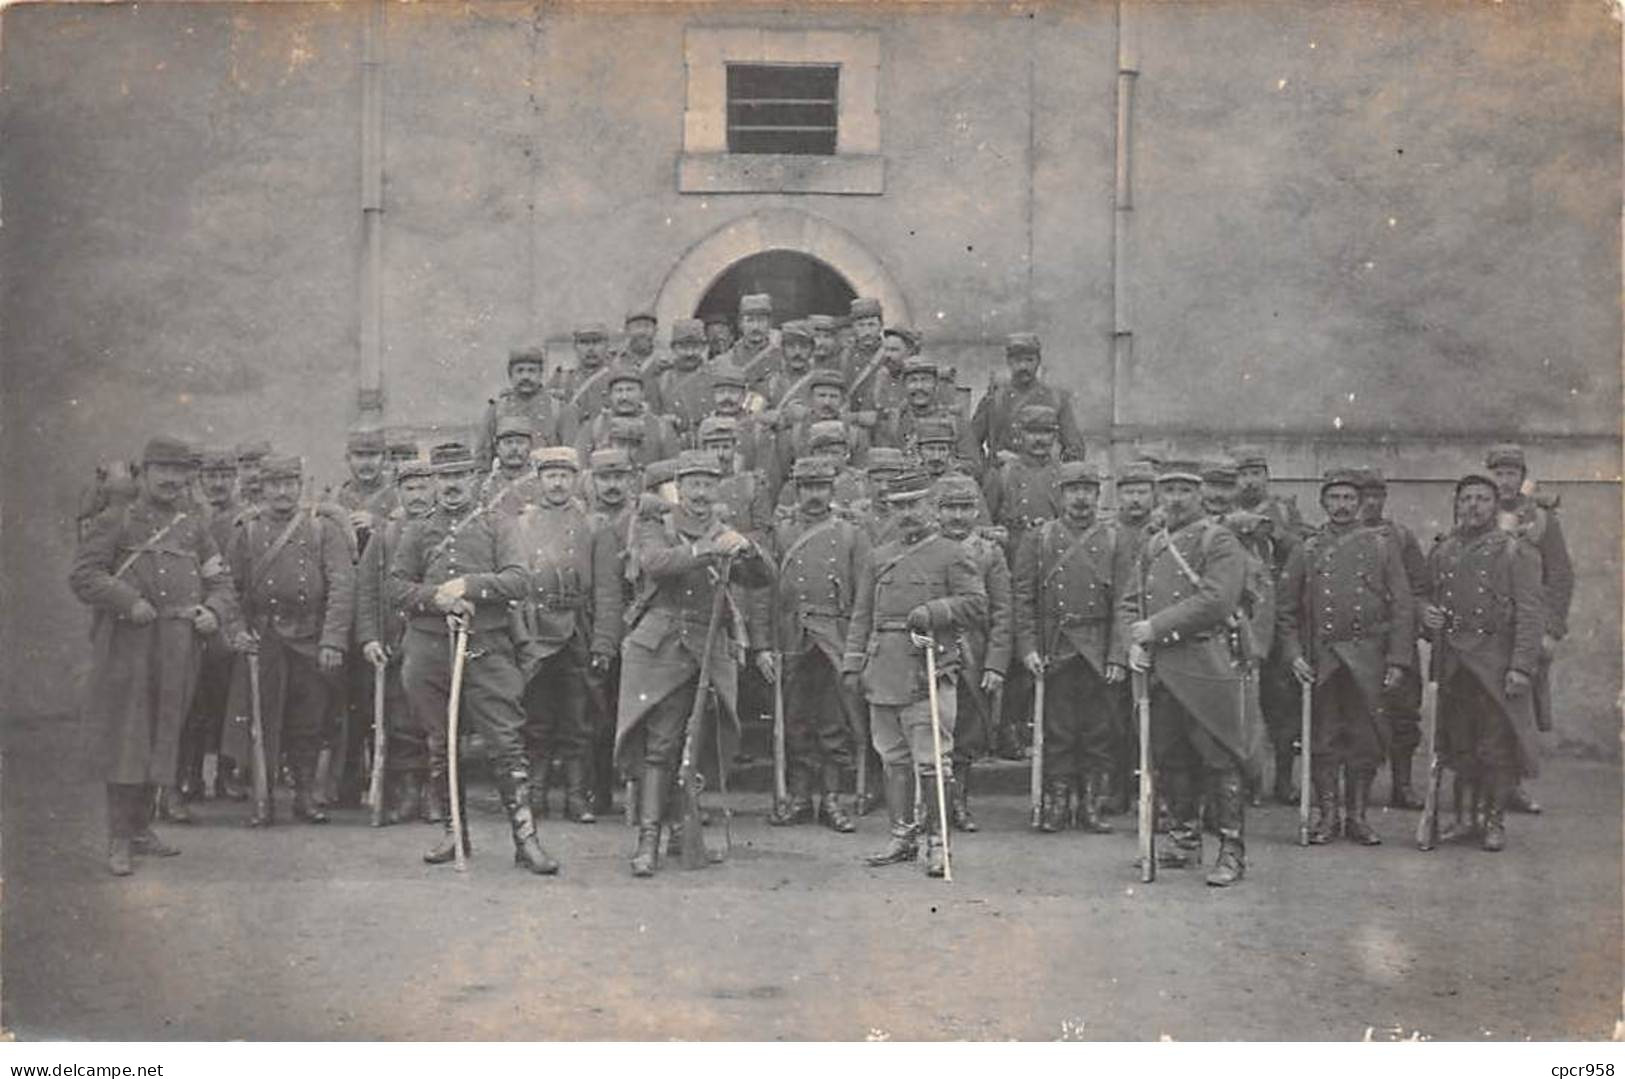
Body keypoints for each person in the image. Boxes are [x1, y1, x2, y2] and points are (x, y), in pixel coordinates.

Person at [70, 436, 240, 876]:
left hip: (179, 646)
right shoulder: (116, 519)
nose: (171, 479)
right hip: (128, 645)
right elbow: (84, 575)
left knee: (165, 733)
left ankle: (142, 829)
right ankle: (119, 839)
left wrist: (213, 611)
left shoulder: (193, 526)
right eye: (162, 470)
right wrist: (127, 600)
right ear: (143, 473)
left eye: (179, 472)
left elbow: (221, 582)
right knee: (129, 736)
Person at [390, 442, 558, 874]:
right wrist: (437, 599)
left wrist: (467, 586)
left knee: (505, 743)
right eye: (443, 478)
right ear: (432, 483)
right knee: (440, 743)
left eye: (460, 476)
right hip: (429, 650)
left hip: (487, 646)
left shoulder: (498, 526)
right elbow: (395, 588)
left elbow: (518, 580)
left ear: (475, 480)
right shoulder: (417, 530)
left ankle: (526, 839)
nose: (451, 486)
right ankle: (453, 833)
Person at [616, 449, 773, 877]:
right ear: (679, 487)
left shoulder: (726, 530)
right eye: (693, 484)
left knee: (702, 742)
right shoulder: (656, 524)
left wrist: (749, 550)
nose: (701, 493)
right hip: (664, 647)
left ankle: (686, 832)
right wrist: (708, 549)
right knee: (661, 744)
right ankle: (649, 839)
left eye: (708, 484)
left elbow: (763, 579)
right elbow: (656, 563)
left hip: (708, 647)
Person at [842, 470, 987, 878]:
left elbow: (976, 604)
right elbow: (862, 614)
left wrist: (935, 612)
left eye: (915, 504)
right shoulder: (878, 556)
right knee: (892, 756)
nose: (907, 513)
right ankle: (902, 834)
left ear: (931, 506)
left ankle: (937, 842)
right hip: (883, 667)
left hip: (928, 666)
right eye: (899, 505)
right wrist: (854, 662)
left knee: (932, 761)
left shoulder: (952, 553)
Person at [1122, 459, 1252, 887]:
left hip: (1204, 664)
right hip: (1161, 669)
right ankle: (1184, 839)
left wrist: (1155, 627)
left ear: (1200, 494)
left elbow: (1217, 600)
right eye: (1169, 490)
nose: (1175, 499)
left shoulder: (1220, 541)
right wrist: (1133, 641)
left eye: (1184, 490)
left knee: (1218, 758)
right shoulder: (1153, 543)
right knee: (1170, 757)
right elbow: (1130, 601)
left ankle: (1232, 850)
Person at [1277, 468, 1414, 846]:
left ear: (1361, 503)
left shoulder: (1382, 547)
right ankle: (1327, 815)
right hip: (1322, 660)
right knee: (1323, 740)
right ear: (1323, 502)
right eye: (1334, 499)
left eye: (1349, 499)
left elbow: (1403, 606)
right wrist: (1293, 656)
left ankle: (1357, 817)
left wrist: (1398, 660)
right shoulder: (1306, 549)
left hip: (1368, 658)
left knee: (1366, 739)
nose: (1342, 506)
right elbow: (1285, 611)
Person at [223, 455, 355, 827]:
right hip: (264, 640)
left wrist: (332, 641)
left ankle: (305, 795)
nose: (282, 491)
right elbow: (228, 587)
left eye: (289, 483)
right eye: (274, 484)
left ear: (301, 485)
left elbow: (342, 585)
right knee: (262, 719)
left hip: (311, 638)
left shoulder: (321, 528)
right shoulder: (246, 532)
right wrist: (236, 630)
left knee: (309, 720)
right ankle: (262, 796)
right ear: (261, 488)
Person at [1422, 473, 1544, 851]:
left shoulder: (1515, 551)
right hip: (1454, 664)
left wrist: (1521, 667)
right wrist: (1427, 615)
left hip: (1495, 663)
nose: (1473, 506)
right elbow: (1426, 598)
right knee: (1459, 745)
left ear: (1495, 506)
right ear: (1457, 505)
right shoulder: (1443, 550)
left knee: (1495, 746)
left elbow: (1530, 612)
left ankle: (1493, 822)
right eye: (1467, 499)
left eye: (1483, 499)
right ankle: (1463, 819)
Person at [1015, 462, 1132, 833]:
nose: (1080, 497)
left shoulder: (1116, 541)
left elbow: (1126, 603)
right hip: (1056, 648)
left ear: (1098, 495)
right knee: (1058, 731)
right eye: (1073, 490)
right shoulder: (1040, 539)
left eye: (1088, 490)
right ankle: (1057, 803)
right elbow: (1024, 599)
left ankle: (1091, 805)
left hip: (1098, 651)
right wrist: (1029, 648)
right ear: (1061, 495)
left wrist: (1118, 654)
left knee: (1099, 733)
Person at [510, 447, 624, 824]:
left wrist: (605, 641)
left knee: (579, 720)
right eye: (550, 476)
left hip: (578, 629)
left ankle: (578, 796)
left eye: (564, 475)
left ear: (577, 479)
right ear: (538, 480)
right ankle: (537, 794)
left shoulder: (595, 526)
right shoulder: (521, 525)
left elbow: (608, 591)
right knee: (536, 718)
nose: (557, 483)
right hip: (537, 630)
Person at [765, 456, 871, 832]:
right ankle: (798, 796)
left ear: (832, 489)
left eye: (821, 487)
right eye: (807, 487)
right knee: (794, 720)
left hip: (834, 636)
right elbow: (767, 593)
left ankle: (831, 798)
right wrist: (766, 643)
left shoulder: (850, 534)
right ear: (797, 489)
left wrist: (857, 648)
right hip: (792, 634)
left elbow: (863, 595)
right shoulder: (781, 533)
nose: (814, 495)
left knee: (833, 722)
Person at [1485, 442, 1572, 815]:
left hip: (1525, 629)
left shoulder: (1541, 519)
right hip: (1486, 630)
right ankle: (1481, 786)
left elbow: (1561, 576)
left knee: (1519, 709)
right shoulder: (1477, 513)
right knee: (1482, 706)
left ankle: (1513, 786)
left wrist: (1551, 630)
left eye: (1511, 474)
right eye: (1498, 474)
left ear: (1522, 477)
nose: (1504, 481)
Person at [355, 454, 436, 823]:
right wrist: (370, 638)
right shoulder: (385, 536)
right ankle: (405, 793)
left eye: (423, 486)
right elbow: (367, 591)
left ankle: (436, 794)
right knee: (399, 722)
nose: (417, 494)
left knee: (434, 720)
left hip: (435, 641)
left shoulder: (447, 530)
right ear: (399, 492)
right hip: (394, 642)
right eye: (409, 487)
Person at [1228, 444, 1308, 808]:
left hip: (1276, 614)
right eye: (1243, 475)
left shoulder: (1284, 511)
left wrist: (1273, 532)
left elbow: (1301, 549)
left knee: (1282, 704)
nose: (1249, 482)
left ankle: (1284, 779)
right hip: (1240, 614)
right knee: (1240, 702)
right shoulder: (1226, 513)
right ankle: (1247, 780)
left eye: (1256, 474)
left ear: (1266, 477)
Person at [935, 473, 1012, 832]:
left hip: (973, 654)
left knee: (966, 733)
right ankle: (932, 804)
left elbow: (1002, 611)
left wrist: (995, 663)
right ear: (937, 511)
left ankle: (959, 804)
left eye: (966, 508)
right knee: (932, 729)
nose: (958, 516)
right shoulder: (925, 548)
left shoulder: (989, 553)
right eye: (950, 508)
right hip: (931, 651)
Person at [174, 447, 248, 809]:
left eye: (224, 476)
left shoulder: (245, 519)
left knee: (228, 702)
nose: (218, 484)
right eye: (210, 477)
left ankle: (225, 772)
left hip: (231, 621)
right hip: (192, 618)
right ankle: (188, 773)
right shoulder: (188, 518)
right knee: (193, 702)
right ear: (200, 481)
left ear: (234, 479)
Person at [1356, 467, 1430, 809]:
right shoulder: (1341, 537)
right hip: (1359, 641)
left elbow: (1420, 586)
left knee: (1403, 714)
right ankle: (1356, 790)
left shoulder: (1400, 537)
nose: (1370, 503)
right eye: (1364, 496)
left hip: (1397, 637)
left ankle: (1402, 785)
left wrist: (1413, 616)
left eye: (1377, 496)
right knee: (1356, 714)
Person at [584, 448, 640, 814]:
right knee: (597, 714)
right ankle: (597, 791)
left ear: (631, 480)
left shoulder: (643, 520)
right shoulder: (584, 521)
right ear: (592, 481)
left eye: (619, 477)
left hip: (639, 626)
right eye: (605, 478)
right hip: (597, 626)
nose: (612, 485)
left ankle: (641, 793)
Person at [969, 333, 1085, 461]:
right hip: (1001, 476)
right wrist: (988, 467)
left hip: (1043, 476)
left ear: (1038, 362)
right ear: (1009, 362)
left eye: (1029, 360)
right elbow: (971, 444)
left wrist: (1055, 465)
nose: (1023, 367)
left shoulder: (1056, 399)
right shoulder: (994, 399)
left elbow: (1074, 449)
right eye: (1017, 361)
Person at [476, 345, 573, 466]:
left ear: (541, 373)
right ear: (510, 375)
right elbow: (482, 456)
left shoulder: (559, 409)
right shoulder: (497, 410)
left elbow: (570, 454)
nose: (525, 377)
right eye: (520, 371)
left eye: (531, 371)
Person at [883, 357, 982, 474]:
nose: (919, 387)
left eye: (925, 380)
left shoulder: (956, 423)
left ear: (936, 385)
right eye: (913, 381)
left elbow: (973, 466)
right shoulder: (894, 422)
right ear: (904, 386)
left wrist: (942, 464)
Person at [575, 362, 680, 467]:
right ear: (610, 395)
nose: (624, 397)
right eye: (618, 391)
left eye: (630, 390)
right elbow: (582, 467)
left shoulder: (661, 428)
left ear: (642, 394)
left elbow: (673, 467)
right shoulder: (593, 428)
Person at [656, 317, 714, 447]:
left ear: (704, 347)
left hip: (711, 445)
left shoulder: (716, 376)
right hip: (675, 447)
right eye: (683, 347)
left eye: (695, 346)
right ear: (673, 348)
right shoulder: (662, 381)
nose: (689, 353)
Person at [717, 292, 782, 398]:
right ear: (740, 324)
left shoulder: (781, 357)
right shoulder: (726, 360)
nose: (755, 327)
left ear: (770, 323)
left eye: (761, 321)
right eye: (750, 321)